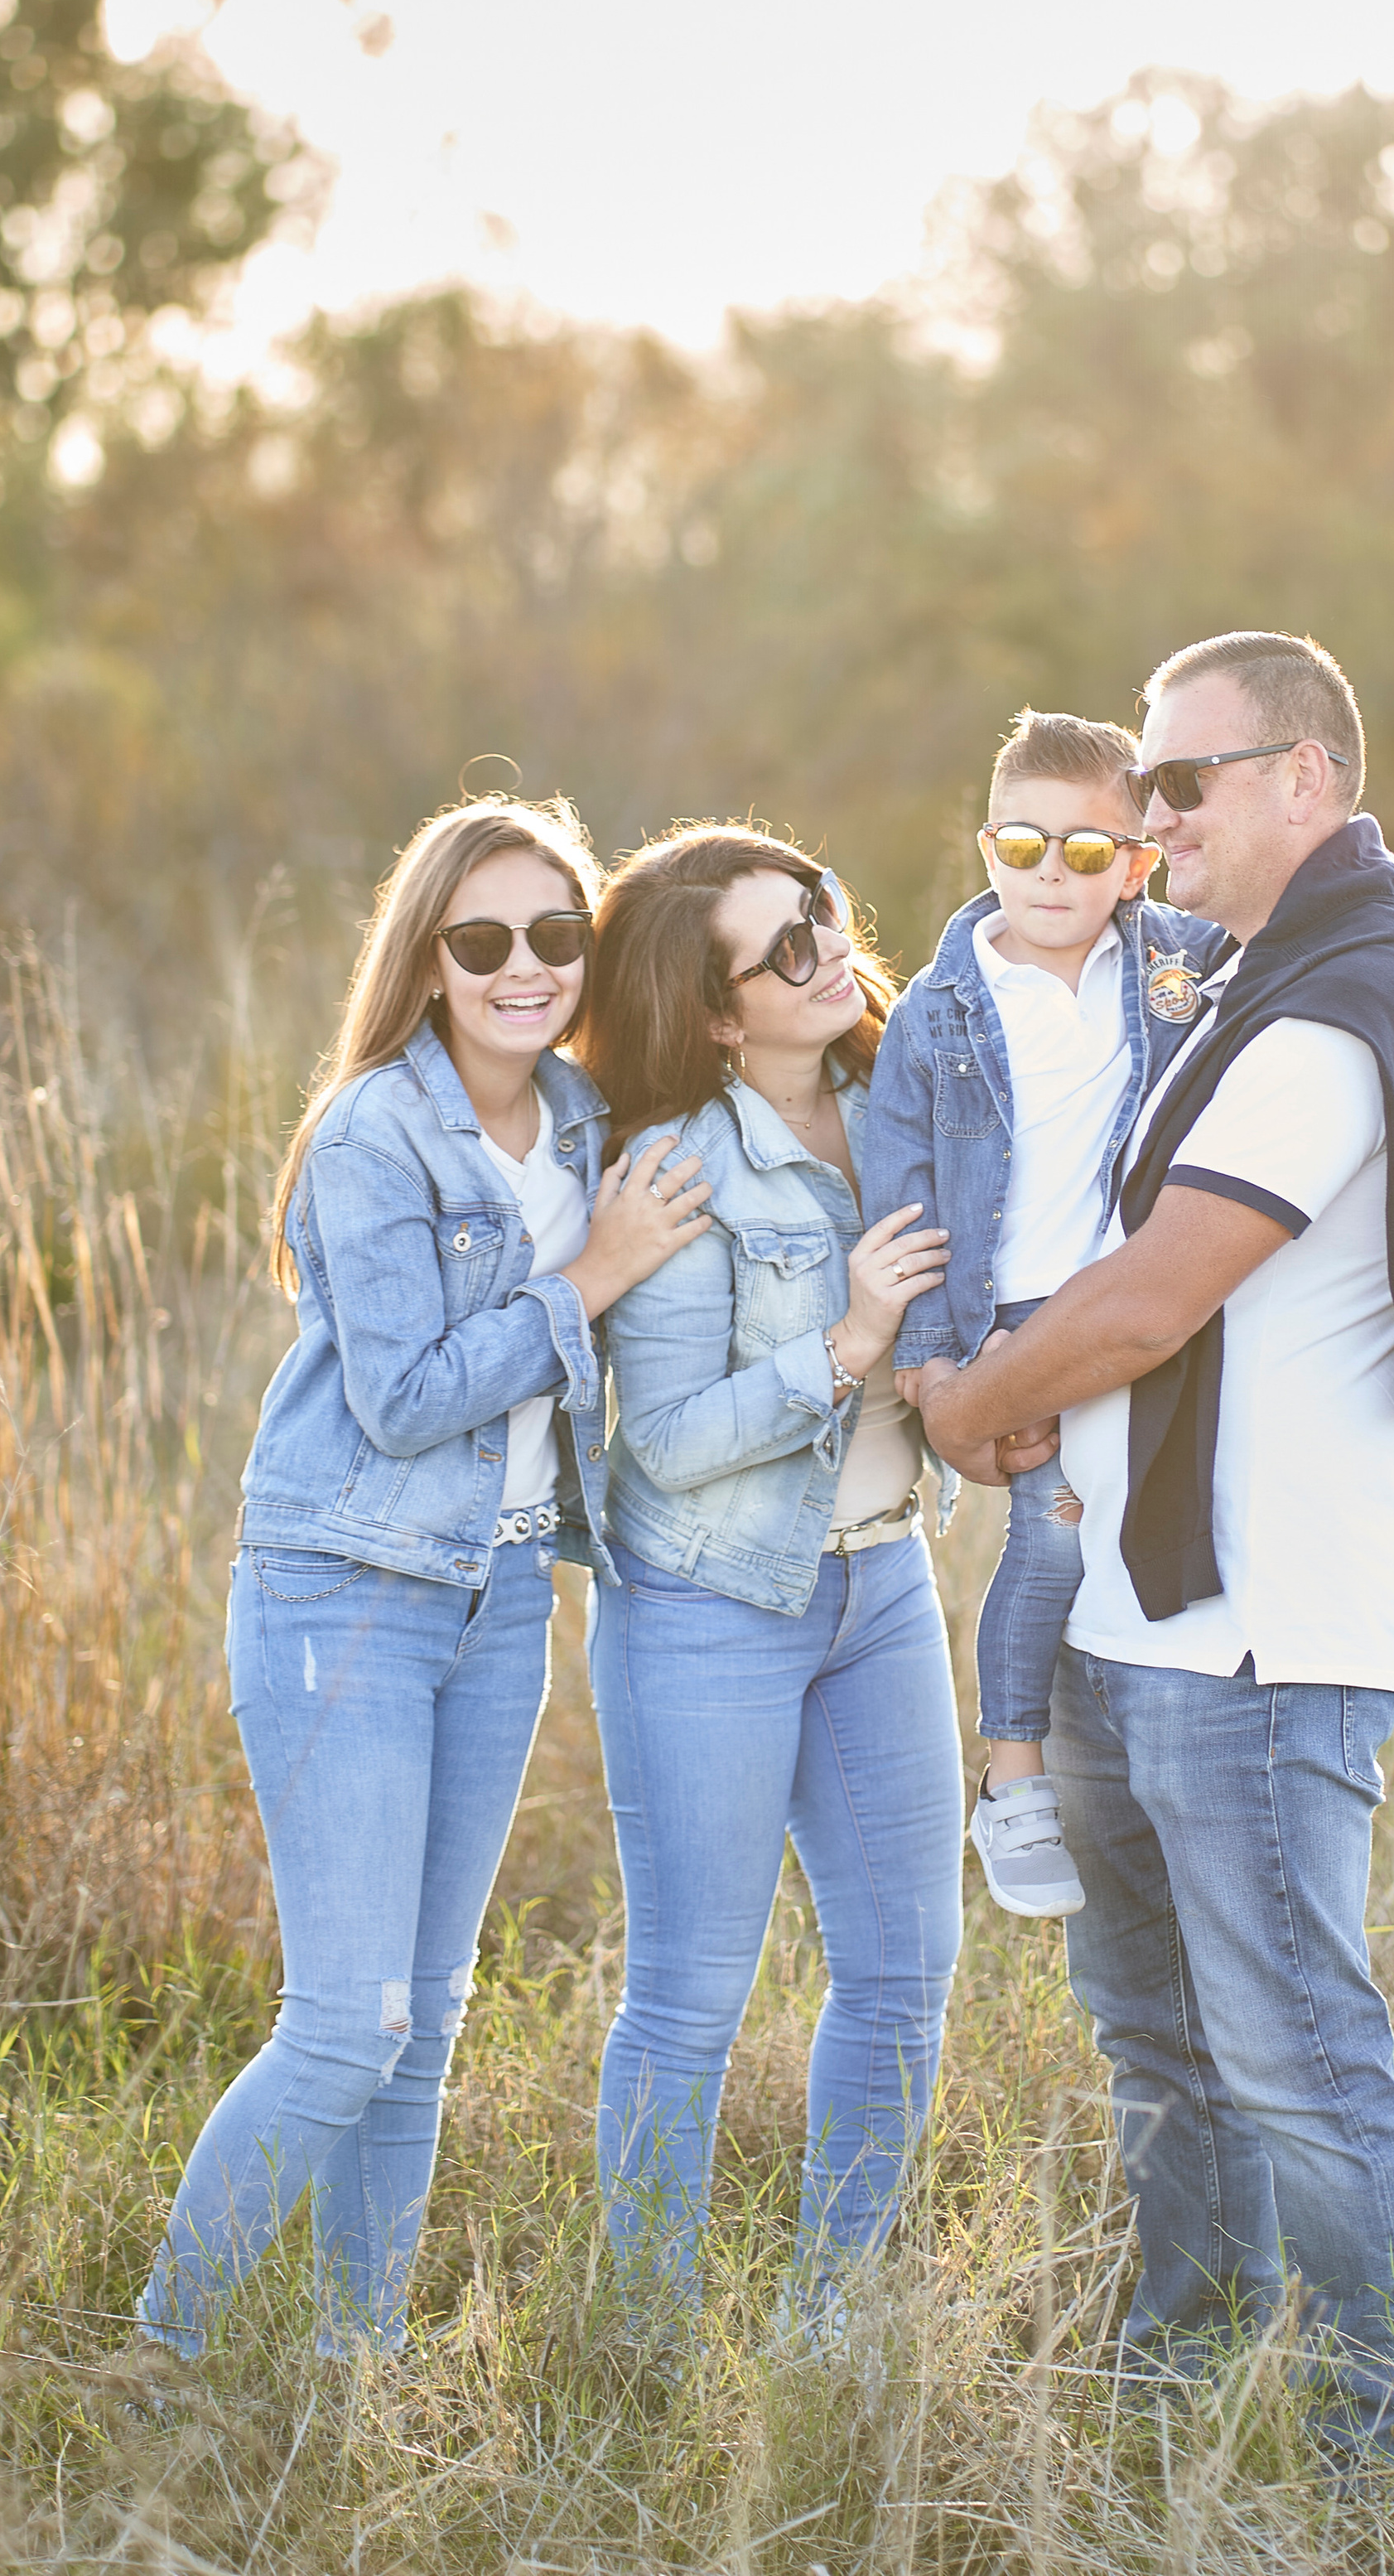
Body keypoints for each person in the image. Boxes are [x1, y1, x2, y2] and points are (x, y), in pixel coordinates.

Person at [914, 632, 1394, 2471]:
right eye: (1141, 788)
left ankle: (1371, 2469)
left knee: (1297, 2065)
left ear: (1305, 778)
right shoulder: (1268, 984)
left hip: (1252, 1637)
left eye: (1183, 781)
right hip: (1135, 1613)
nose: (1149, 817)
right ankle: (1183, 2391)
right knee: (1156, 2044)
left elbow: (1156, 1294)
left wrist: (967, 1404)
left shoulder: (1329, 1020)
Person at [136, 796, 710, 2365]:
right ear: (427, 956)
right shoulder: (372, 1133)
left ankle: (356, 2364)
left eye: (555, 934)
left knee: (427, 2018)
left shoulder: (584, 1117)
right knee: (347, 2024)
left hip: (505, 1592)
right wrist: (592, 1274)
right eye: (483, 939)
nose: (525, 966)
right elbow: (401, 1400)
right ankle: (164, 2352)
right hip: (347, 1589)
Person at [571, 826, 960, 2337]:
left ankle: (834, 2324)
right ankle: (643, 2340)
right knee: (690, 1997)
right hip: (706, 1605)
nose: (830, 949)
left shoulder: (904, 1099)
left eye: (825, 910)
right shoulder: (675, 1168)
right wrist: (850, 1343)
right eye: (785, 947)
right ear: (716, 1013)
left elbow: (1090, 993)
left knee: (905, 1972)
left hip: (881, 1586)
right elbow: (665, 1441)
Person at [861, 706, 1217, 1917]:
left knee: (1143, 1524)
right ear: (987, 848)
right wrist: (929, 1363)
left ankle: (1141, 1765)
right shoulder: (940, 1011)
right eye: (1023, 845)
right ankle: (1013, 1773)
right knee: (1053, 1531)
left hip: (1142, 1294)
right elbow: (903, 1190)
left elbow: (1305, 941)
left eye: (1085, 849)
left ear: (1137, 863)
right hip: (1014, 1316)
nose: (1050, 874)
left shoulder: (1176, 966)